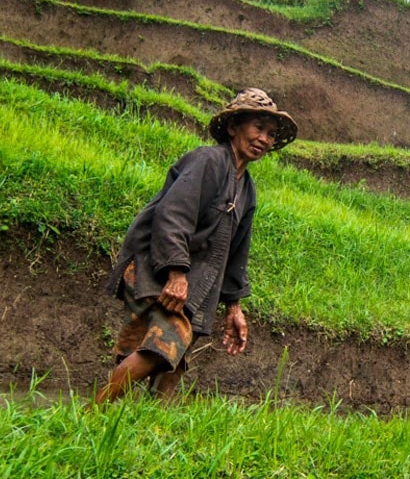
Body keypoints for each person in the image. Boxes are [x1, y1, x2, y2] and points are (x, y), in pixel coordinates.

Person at [95, 88, 297, 404]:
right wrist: (176, 274)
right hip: (155, 268)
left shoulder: (247, 189)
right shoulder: (209, 161)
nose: (264, 139)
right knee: (169, 342)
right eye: (258, 128)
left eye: (271, 134)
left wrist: (234, 307)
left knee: (172, 358)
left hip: (191, 282)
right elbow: (173, 215)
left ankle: (148, 426)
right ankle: (94, 411)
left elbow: (236, 252)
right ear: (234, 127)